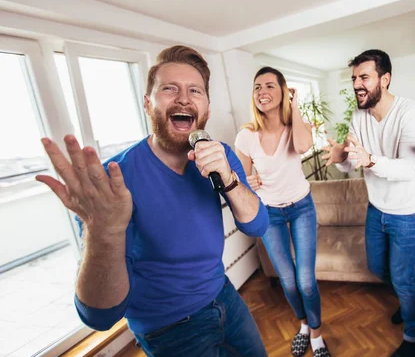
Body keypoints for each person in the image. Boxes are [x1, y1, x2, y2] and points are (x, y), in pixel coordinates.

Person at [36, 45, 270, 357]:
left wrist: (229, 180)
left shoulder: (220, 155)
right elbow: (100, 316)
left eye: (195, 90)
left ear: (207, 109)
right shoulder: (116, 180)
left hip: (223, 295)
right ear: (148, 103)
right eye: (169, 88)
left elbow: (258, 225)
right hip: (169, 326)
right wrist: (103, 232)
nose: (184, 98)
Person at [322, 50, 415, 357]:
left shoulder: (412, 112)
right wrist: (342, 159)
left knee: (402, 276)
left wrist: (370, 160)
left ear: (385, 79)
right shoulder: (359, 116)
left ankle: (413, 335)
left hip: (408, 212)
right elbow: (353, 160)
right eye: (354, 78)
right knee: (376, 266)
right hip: (377, 208)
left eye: (364, 77)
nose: (357, 84)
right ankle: (405, 301)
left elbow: (410, 168)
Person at [235, 67, 331, 357]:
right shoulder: (246, 136)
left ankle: (316, 334)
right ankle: (303, 324)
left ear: (283, 91)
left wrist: (296, 104)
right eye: (257, 87)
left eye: (269, 86)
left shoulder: (295, 128)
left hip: (302, 207)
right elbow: (242, 182)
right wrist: (247, 182)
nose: (262, 91)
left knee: (306, 281)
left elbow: (303, 145)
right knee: (288, 281)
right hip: (270, 214)